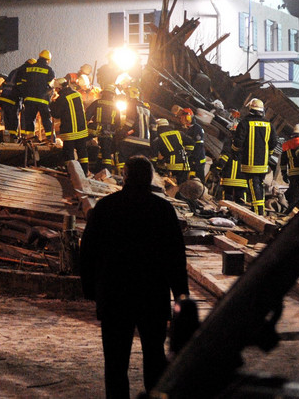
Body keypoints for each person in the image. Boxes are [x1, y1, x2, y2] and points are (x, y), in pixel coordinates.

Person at [80, 156, 189, 398]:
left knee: (116, 362)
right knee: (154, 356)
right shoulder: (162, 209)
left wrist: (90, 289)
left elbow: (88, 251)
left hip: (114, 297)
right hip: (152, 297)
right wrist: (181, 294)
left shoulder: (106, 207)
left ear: (125, 177)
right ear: (150, 178)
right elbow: (175, 257)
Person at [230, 98, 276, 216]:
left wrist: (234, 152)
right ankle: (261, 209)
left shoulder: (245, 123)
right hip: (263, 163)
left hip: (250, 163)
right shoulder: (269, 124)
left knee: (253, 185)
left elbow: (238, 142)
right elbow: (273, 143)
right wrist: (268, 155)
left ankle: (258, 212)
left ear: (250, 109)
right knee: (259, 185)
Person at [50, 77, 90, 174]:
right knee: (82, 153)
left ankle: (72, 173)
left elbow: (56, 114)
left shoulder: (62, 98)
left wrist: (51, 103)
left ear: (58, 88)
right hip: (81, 129)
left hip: (69, 131)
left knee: (69, 153)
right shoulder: (77, 94)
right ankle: (84, 172)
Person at [20, 49, 55, 142]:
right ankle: (51, 139)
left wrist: (25, 97)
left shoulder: (29, 68)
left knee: (30, 120)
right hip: (42, 101)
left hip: (29, 100)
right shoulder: (49, 70)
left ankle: (30, 139)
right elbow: (51, 87)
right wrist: (49, 99)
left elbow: (23, 84)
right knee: (46, 120)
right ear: (48, 60)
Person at [86, 84, 121, 173]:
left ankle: (84, 165)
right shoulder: (116, 106)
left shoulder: (97, 102)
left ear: (104, 93)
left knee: (81, 143)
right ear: (113, 95)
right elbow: (118, 123)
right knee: (106, 153)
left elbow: (87, 115)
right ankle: (106, 172)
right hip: (109, 132)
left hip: (94, 129)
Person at [116, 86, 152, 173]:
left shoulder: (131, 105)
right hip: (145, 142)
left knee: (122, 156)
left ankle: (122, 175)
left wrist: (121, 133)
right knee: (139, 164)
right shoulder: (146, 108)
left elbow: (130, 122)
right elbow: (153, 125)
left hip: (132, 140)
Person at [151, 118, 189, 185]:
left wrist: (152, 170)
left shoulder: (158, 138)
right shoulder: (179, 133)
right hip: (185, 166)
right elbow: (192, 143)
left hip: (170, 167)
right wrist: (187, 154)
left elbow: (153, 157)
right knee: (181, 188)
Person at [280, 123, 299, 208]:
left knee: (295, 194)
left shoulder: (287, 144)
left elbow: (283, 162)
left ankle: (292, 208)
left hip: (293, 174)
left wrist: (284, 173)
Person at [178, 108, 206, 181]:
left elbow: (198, 146)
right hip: (191, 159)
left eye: (182, 117)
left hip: (198, 161)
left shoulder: (197, 129)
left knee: (198, 181)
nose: (180, 119)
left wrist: (193, 159)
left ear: (188, 117)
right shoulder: (188, 129)